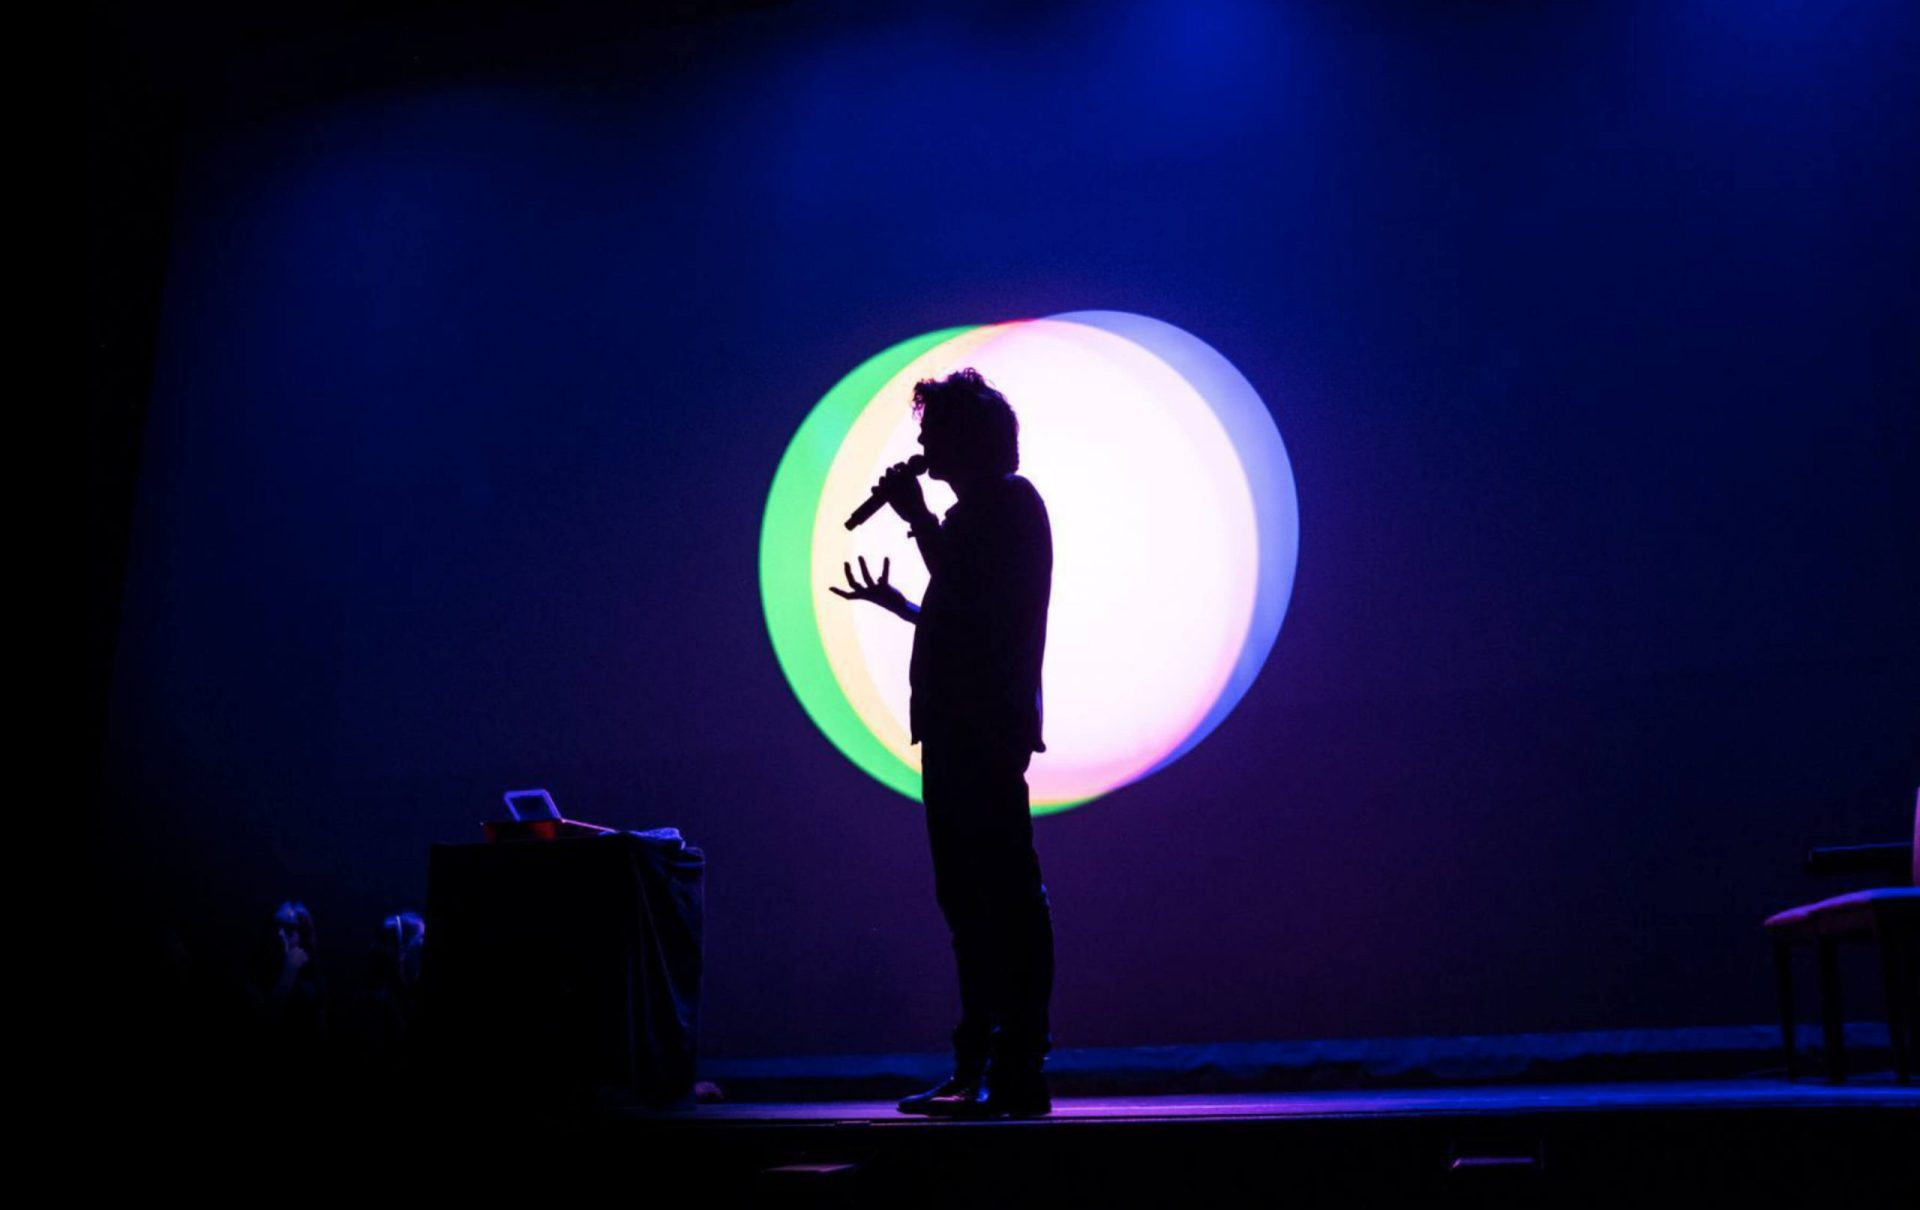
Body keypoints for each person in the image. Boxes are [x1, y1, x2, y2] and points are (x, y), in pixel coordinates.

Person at [830, 367, 1056, 1117]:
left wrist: (917, 517)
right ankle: (974, 1069)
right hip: (956, 727)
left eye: (933, 433)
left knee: (1004, 897)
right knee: (967, 900)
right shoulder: (971, 519)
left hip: (985, 727)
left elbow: (984, 607)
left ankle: (1015, 1069)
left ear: (969, 438)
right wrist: (903, 604)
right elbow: (962, 613)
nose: (922, 445)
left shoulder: (1012, 505)